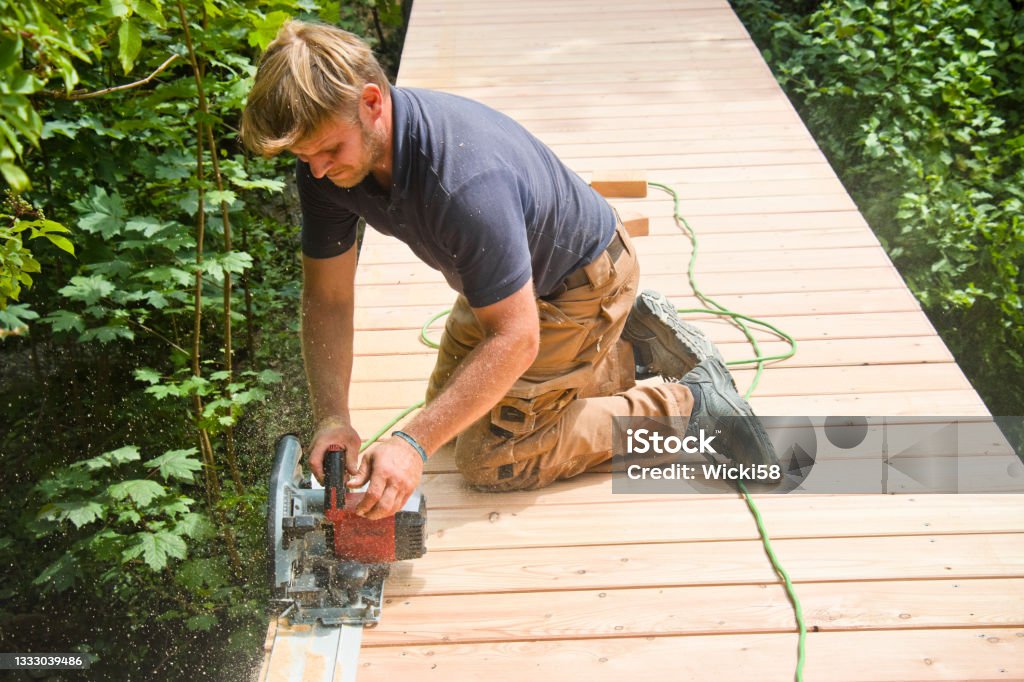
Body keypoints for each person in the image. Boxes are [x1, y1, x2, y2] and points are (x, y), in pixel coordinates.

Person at [240, 20, 778, 519]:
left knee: (494, 457)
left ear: (373, 102)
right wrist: (333, 415)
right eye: (305, 157)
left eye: (329, 150)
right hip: (512, 286)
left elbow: (517, 337)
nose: (317, 170)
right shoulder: (327, 169)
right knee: (449, 419)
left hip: (578, 286)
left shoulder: (461, 181)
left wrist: (409, 443)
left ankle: (689, 403)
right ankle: (627, 349)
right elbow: (328, 299)